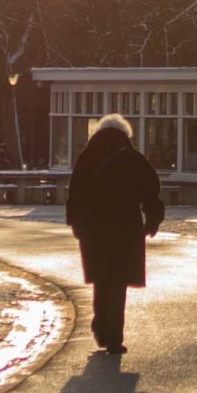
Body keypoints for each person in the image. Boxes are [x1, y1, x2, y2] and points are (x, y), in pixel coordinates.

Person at [65, 113, 165, 356]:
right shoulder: (133, 158)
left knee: (101, 278)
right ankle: (114, 338)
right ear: (126, 134)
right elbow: (152, 190)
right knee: (119, 281)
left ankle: (100, 325)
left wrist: (76, 223)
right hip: (125, 226)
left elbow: (75, 192)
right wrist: (151, 222)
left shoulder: (86, 157)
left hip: (94, 226)